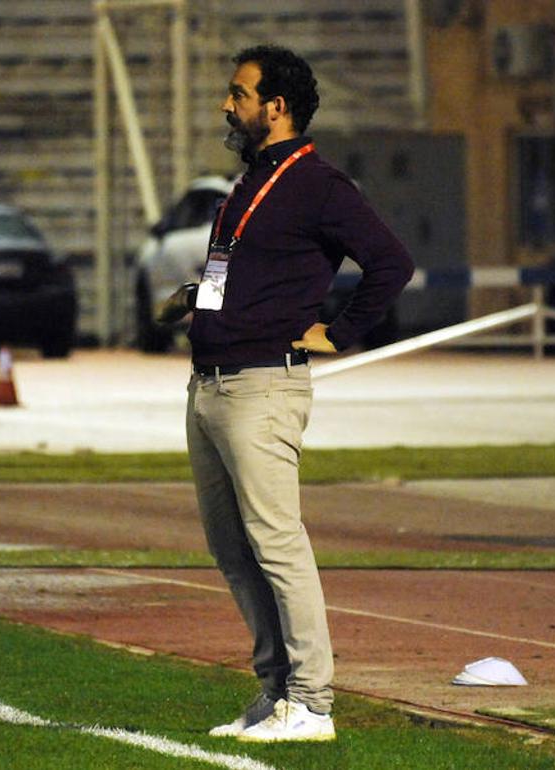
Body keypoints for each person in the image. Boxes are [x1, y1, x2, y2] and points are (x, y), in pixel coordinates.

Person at [159, 45, 413, 743]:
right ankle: (277, 693)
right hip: (210, 383)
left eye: (238, 93)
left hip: (263, 385)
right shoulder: (245, 185)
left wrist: (341, 331)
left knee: (277, 545)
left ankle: (313, 702)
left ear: (276, 106)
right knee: (231, 549)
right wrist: (194, 302)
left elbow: (393, 263)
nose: (225, 104)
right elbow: (226, 268)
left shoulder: (319, 183)